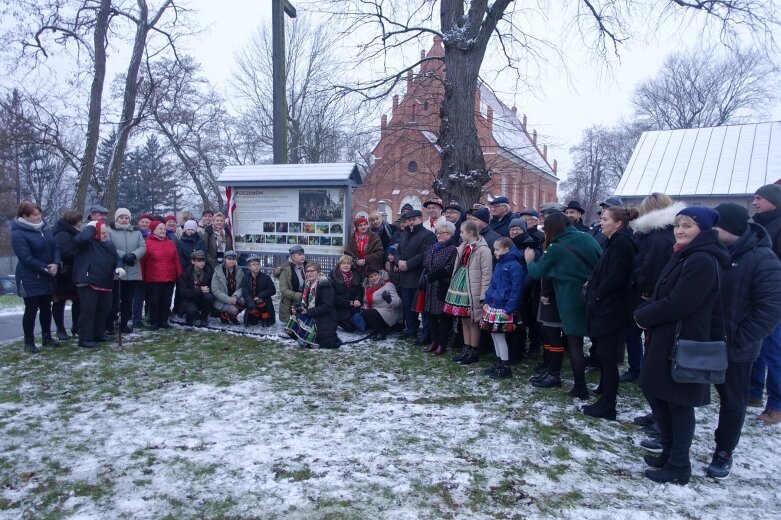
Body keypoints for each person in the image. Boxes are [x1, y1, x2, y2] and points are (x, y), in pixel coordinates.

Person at [634, 207, 729, 485]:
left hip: (682, 339)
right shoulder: (683, 253)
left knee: (678, 403)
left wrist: (643, 315)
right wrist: (648, 310)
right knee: (658, 393)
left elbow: (681, 302)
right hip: (666, 335)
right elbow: (665, 293)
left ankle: (678, 465)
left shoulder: (701, 259)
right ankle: (668, 451)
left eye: (688, 225)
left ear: (704, 229)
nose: (680, 230)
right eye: (678, 224)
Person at [707, 203, 781, 478]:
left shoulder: (763, 259)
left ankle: (724, 451)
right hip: (703, 340)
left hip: (736, 348)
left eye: (715, 225)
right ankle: (673, 438)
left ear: (731, 228)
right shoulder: (712, 252)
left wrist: (740, 339)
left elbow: (771, 308)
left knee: (733, 401)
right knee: (685, 390)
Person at [525, 211, 602, 399]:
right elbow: (601, 262)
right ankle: (603, 385)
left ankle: (580, 386)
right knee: (596, 342)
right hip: (592, 296)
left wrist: (529, 260)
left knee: (574, 343)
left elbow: (538, 272)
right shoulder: (588, 239)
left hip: (570, 299)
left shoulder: (556, 248)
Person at [581, 207, 639, 420]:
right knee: (604, 355)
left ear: (618, 223)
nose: (601, 222)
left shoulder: (622, 243)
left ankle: (608, 405)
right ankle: (604, 390)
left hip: (610, 309)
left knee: (607, 357)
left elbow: (615, 277)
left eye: (605, 219)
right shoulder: (614, 242)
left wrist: (596, 295)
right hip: (606, 306)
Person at [623, 193, 684, 383]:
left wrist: (638, 284)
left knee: (637, 332)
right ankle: (643, 369)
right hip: (661, 292)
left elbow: (650, 266)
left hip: (646, 293)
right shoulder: (667, 232)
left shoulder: (657, 236)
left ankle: (640, 369)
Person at [749, 183, 781, 425]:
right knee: (756, 345)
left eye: (759, 198)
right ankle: (753, 392)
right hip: (754, 293)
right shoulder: (758, 224)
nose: (754, 202)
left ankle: (776, 405)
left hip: (773, 297)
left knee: (773, 350)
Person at [11, 201, 61, 352]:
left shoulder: (45, 227)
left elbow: (55, 247)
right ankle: (29, 341)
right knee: (31, 309)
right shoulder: (18, 233)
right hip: (29, 277)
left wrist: (56, 263)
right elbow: (26, 258)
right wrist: (46, 268)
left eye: (40, 214)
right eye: (35, 215)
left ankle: (47, 337)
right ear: (25, 216)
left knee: (46, 307)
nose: (39, 217)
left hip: (48, 275)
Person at [445, 220, 493, 365]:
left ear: (471, 232)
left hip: (473, 287)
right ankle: (466, 348)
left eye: (462, 232)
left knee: (473, 320)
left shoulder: (483, 250)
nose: (460, 234)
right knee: (464, 319)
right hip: (461, 283)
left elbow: (486, 273)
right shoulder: (463, 246)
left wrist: (484, 294)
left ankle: (473, 349)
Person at [73, 220, 123, 348]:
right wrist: (91, 227)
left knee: (104, 309)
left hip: (105, 281)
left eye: (106, 232)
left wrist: (119, 267)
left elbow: (117, 258)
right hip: (88, 280)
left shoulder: (110, 245)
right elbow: (80, 240)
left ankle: (98, 333)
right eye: (102, 233)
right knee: (88, 311)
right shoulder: (86, 243)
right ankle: (85, 338)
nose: (105, 235)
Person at [481, 237, 525, 378]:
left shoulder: (514, 266)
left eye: (497, 249)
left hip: (504, 307)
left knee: (500, 336)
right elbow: (493, 284)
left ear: (506, 249)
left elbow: (516, 290)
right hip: (494, 304)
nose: (495, 252)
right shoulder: (500, 264)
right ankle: (499, 362)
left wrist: (509, 308)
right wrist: (487, 299)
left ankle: (505, 366)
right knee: (494, 334)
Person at [396, 209, 436, 338]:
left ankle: (426, 334)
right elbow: (397, 251)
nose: (411, 223)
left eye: (414, 220)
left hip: (418, 277)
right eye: (409, 220)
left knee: (422, 308)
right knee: (407, 307)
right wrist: (398, 261)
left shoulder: (428, 235)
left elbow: (424, 254)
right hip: (404, 277)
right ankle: (411, 329)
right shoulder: (404, 234)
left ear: (420, 219)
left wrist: (408, 264)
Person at [107, 208, 146, 334]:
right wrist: (123, 255)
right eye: (121, 217)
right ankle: (110, 324)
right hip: (117, 271)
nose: (124, 220)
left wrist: (134, 255)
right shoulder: (109, 231)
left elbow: (143, 246)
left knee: (128, 300)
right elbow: (109, 246)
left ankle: (124, 324)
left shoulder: (136, 232)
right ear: (116, 218)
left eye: (126, 218)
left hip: (133, 270)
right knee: (114, 301)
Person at [508, 218, 542, 362]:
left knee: (530, 320)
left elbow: (532, 270)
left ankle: (533, 348)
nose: (515, 231)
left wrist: (521, 288)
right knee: (519, 320)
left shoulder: (530, 245)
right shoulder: (510, 245)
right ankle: (519, 348)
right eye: (512, 229)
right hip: (513, 288)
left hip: (528, 291)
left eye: (518, 229)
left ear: (524, 230)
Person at [422, 220, 458, 355]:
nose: (438, 235)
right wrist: (428, 274)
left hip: (443, 286)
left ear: (449, 233)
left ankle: (442, 345)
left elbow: (449, 267)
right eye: (437, 232)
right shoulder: (432, 247)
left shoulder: (453, 249)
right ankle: (433, 341)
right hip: (430, 286)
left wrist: (435, 275)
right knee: (430, 315)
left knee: (443, 317)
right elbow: (425, 262)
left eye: (441, 232)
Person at [286, 262, 341, 349]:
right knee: (293, 318)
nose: (309, 273)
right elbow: (304, 302)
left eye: (312, 271)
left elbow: (327, 306)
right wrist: (296, 308)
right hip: (312, 313)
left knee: (328, 344)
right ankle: (304, 339)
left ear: (318, 272)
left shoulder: (325, 285)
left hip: (325, 318)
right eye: (307, 271)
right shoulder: (307, 283)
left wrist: (308, 311)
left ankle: (311, 339)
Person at [140, 220, 182, 330]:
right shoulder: (147, 243)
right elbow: (142, 262)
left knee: (166, 301)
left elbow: (176, 259)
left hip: (169, 277)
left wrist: (179, 273)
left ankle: (164, 321)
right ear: (153, 231)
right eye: (160, 229)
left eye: (164, 229)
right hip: (154, 278)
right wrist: (142, 277)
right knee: (154, 301)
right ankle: (154, 322)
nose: (163, 231)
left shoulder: (170, 243)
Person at [51, 210, 82, 340]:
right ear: (74, 222)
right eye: (80, 222)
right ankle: (61, 329)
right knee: (60, 301)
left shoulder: (70, 232)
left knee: (77, 300)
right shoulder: (62, 234)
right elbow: (66, 253)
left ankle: (76, 326)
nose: (81, 224)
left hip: (73, 272)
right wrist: (82, 253)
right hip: (64, 273)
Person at [360, 267, 401, 340]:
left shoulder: (387, 285)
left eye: (375, 275)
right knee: (364, 312)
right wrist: (365, 306)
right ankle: (381, 329)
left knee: (366, 313)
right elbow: (365, 301)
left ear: (379, 274)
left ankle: (381, 333)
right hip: (376, 311)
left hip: (388, 312)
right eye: (371, 277)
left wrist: (389, 300)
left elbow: (398, 302)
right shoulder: (368, 288)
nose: (374, 278)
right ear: (368, 279)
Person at [176, 250, 214, 327]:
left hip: (201, 299)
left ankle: (204, 318)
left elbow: (213, 287)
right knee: (191, 311)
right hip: (188, 300)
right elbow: (183, 293)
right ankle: (191, 316)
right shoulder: (185, 273)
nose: (202, 262)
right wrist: (199, 290)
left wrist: (208, 289)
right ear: (192, 261)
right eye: (199, 260)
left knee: (209, 297)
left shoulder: (209, 272)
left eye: (203, 260)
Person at [330, 255, 364, 333]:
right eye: (343, 263)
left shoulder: (356, 275)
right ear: (339, 265)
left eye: (348, 263)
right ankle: (337, 320)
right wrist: (348, 303)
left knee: (360, 325)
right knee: (350, 328)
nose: (346, 265)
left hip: (353, 306)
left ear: (351, 265)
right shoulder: (333, 275)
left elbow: (359, 290)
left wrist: (357, 299)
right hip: (339, 306)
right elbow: (333, 296)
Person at [240, 255, 276, 327]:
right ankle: (255, 315)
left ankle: (265, 318)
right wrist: (251, 303)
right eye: (253, 265)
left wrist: (259, 295)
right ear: (249, 267)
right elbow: (245, 292)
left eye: (258, 264)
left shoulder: (266, 277)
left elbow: (272, 290)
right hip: (252, 302)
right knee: (253, 321)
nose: (256, 266)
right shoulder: (245, 278)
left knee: (259, 300)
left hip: (264, 303)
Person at [275, 245, 307, 325]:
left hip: (308, 298)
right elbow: (284, 290)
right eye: (299, 254)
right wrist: (299, 296)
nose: (302, 256)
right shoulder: (285, 269)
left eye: (303, 254)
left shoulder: (309, 266)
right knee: (296, 324)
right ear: (292, 256)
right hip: (293, 300)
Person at [211, 250, 244, 325]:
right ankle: (224, 315)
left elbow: (242, 286)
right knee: (233, 310)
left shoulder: (239, 271)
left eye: (233, 259)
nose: (231, 261)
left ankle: (233, 317)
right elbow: (215, 290)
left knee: (243, 300)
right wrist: (229, 300)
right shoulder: (217, 272)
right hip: (221, 299)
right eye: (229, 259)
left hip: (234, 297)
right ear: (225, 259)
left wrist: (236, 296)